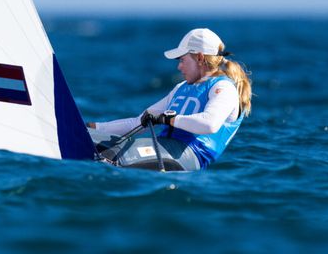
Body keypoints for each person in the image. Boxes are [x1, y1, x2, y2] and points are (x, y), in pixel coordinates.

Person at [87, 28, 252, 171]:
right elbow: (137, 123)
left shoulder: (224, 89)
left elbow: (210, 124)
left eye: (182, 60)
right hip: (161, 146)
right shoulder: (181, 88)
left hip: (189, 155)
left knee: (110, 157)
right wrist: (93, 128)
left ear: (200, 58)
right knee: (90, 141)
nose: (179, 67)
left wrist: (169, 119)